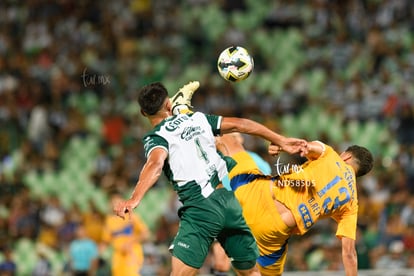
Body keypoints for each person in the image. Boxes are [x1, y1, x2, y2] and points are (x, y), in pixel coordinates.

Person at [113, 81, 306, 276]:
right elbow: (242, 125)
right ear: (169, 105)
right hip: (229, 202)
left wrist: (134, 198)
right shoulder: (198, 119)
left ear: (143, 114)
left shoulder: (156, 137)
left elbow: (155, 164)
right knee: (250, 273)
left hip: (201, 208)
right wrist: (280, 139)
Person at [215, 132, 374, 276]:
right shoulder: (352, 204)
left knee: (228, 140)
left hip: (260, 195)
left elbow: (305, 146)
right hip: (272, 233)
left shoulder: (331, 155)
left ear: (346, 156)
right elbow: (349, 254)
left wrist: (280, 145)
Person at [102, 192, 150, 276]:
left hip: (131, 253)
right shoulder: (109, 220)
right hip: (117, 256)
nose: (115, 204)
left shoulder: (131, 217)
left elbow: (146, 234)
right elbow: (105, 241)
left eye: (117, 202)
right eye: (113, 202)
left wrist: (131, 242)